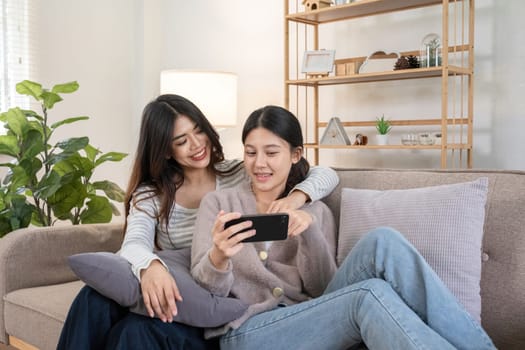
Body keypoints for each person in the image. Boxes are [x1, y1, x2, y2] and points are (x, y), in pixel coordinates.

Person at [190, 105, 497, 350]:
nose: (259, 164)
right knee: (367, 294)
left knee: (383, 240)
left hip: (311, 317)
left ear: (295, 155)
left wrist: (308, 233)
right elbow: (205, 291)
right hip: (247, 331)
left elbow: (324, 289)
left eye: (271, 153)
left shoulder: (315, 211)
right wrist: (219, 256)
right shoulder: (218, 204)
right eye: (250, 152)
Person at [57, 94, 339, 350]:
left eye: (199, 131)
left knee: (136, 330)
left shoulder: (239, 172)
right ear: (166, 150)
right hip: (176, 281)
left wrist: (297, 198)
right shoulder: (151, 194)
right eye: (181, 141)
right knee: (94, 299)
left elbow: (322, 173)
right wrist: (151, 266)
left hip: (211, 292)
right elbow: (134, 243)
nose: (196, 145)